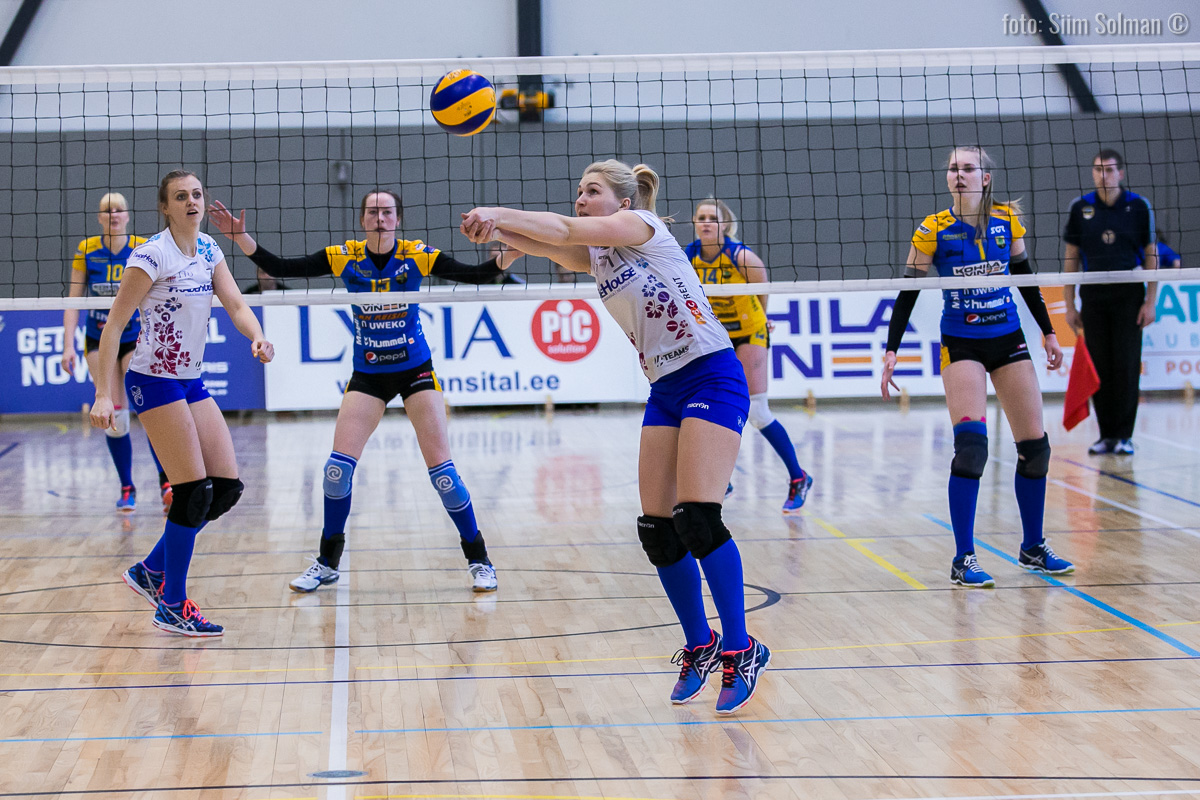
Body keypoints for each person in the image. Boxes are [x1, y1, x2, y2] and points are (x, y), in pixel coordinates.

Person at [460, 159, 770, 715]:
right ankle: (699, 644)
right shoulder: (601, 256)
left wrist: (497, 211)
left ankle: (741, 649)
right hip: (665, 387)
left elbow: (562, 230)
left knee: (698, 517)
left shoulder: (641, 226)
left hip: (711, 374)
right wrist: (496, 234)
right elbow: (550, 246)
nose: (580, 199)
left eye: (592, 191)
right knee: (657, 529)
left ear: (622, 202)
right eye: (578, 191)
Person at [208, 190, 522, 594]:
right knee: (336, 472)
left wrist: (511, 254)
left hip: (415, 371)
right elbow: (281, 266)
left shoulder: (416, 254)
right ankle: (327, 563)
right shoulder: (344, 256)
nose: (380, 218)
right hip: (369, 374)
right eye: (373, 211)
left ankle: (479, 559)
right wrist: (240, 238)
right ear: (362, 220)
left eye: (387, 212)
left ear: (398, 219)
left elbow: (475, 275)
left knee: (443, 475)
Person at [91, 170, 274, 636]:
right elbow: (114, 326)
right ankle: (172, 603)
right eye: (180, 196)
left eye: (196, 194)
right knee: (192, 491)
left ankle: (151, 570)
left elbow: (236, 305)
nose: (192, 202)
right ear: (165, 207)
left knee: (225, 488)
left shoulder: (209, 250)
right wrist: (103, 394)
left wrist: (256, 336)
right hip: (153, 380)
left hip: (190, 379)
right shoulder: (151, 255)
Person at [881, 146, 1073, 587]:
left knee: (1036, 448)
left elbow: (1025, 278)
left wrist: (1048, 332)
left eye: (968, 168)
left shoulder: (1008, 221)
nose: (959, 174)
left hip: (1008, 339)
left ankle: (1033, 547)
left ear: (985, 179)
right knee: (971, 448)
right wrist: (892, 350)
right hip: (961, 343)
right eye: (954, 168)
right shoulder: (933, 229)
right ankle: (963, 557)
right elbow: (908, 292)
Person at [686, 198, 812, 512]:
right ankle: (721, 481)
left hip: (750, 330)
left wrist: (764, 319)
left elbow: (762, 289)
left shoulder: (740, 257)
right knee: (703, 406)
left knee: (757, 411)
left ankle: (798, 477)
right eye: (701, 217)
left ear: (725, 225)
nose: (706, 222)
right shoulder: (688, 256)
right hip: (717, 336)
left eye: (712, 218)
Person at [63, 193, 171, 513]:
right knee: (114, 414)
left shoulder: (142, 247)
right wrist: (68, 345)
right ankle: (127, 487)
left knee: (149, 410)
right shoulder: (87, 250)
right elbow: (73, 301)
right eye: (107, 211)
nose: (113, 215)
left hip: (136, 334)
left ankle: (166, 482)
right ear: (99, 218)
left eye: (118, 210)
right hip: (99, 337)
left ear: (127, 216)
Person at [1062, 149, 1158, 456]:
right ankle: (1106, 436)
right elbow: (1071, 257)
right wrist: (1069, 305)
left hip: (1128, 294)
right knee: (1099, 365)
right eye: (1098, 169)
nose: (1103, 175)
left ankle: (1124, 436)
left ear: (1121, 173)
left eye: (1109, 169)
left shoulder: (1139, 206)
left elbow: (1151, 254)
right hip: (1093, 295)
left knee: (1126, 365)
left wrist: (1151, 301)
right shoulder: (1080, 207)